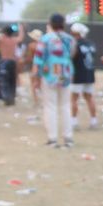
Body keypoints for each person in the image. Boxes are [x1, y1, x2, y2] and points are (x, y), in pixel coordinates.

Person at [33, 14, 75, 146]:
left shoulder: (45, 39)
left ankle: (52, 138)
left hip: (50, 75)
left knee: (50, 107)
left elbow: (38, 59)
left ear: (50, 24)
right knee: (65, 106)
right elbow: (72, 55)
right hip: (66, 74)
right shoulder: (70, 39)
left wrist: (36, 77)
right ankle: (68, 138)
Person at [69, 22, 99, 128]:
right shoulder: (91, 44)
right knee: (89, 97)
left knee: (74, 98)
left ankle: (74, 121)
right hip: (89, 74)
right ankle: (94, 120)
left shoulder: (75, 44)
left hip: (77, 74)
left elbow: (71, 57)